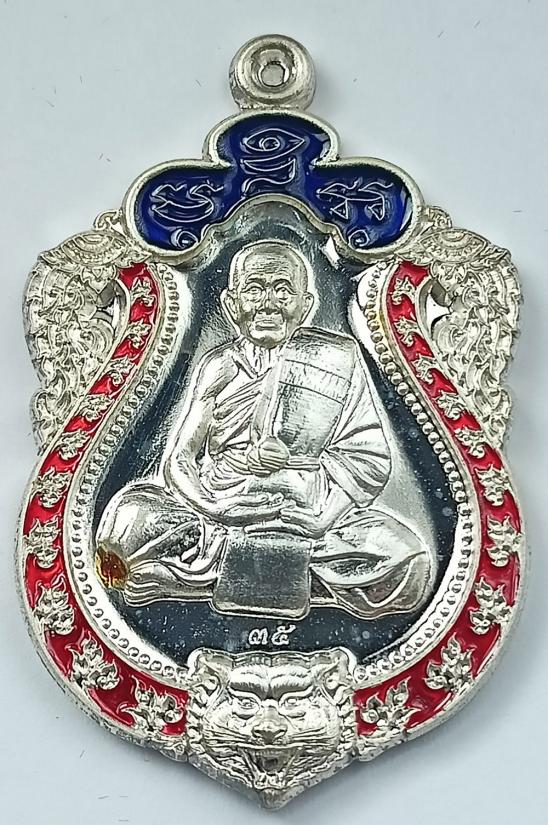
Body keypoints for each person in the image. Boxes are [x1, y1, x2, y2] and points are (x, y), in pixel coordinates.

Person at [96, 240, 433, 619]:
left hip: (306, 513)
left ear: (305, 305)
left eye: (283, 290)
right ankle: (300, 578)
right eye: (255, 290)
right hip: (220, 511)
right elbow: (180, 460)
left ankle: (192, 579)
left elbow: (365, 457)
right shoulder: (220, 366)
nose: (269, 304)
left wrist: (322, 517)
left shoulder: (335, 361)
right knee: (128, 520)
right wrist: (215, 506)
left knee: (409, 560)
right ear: (231, 304)